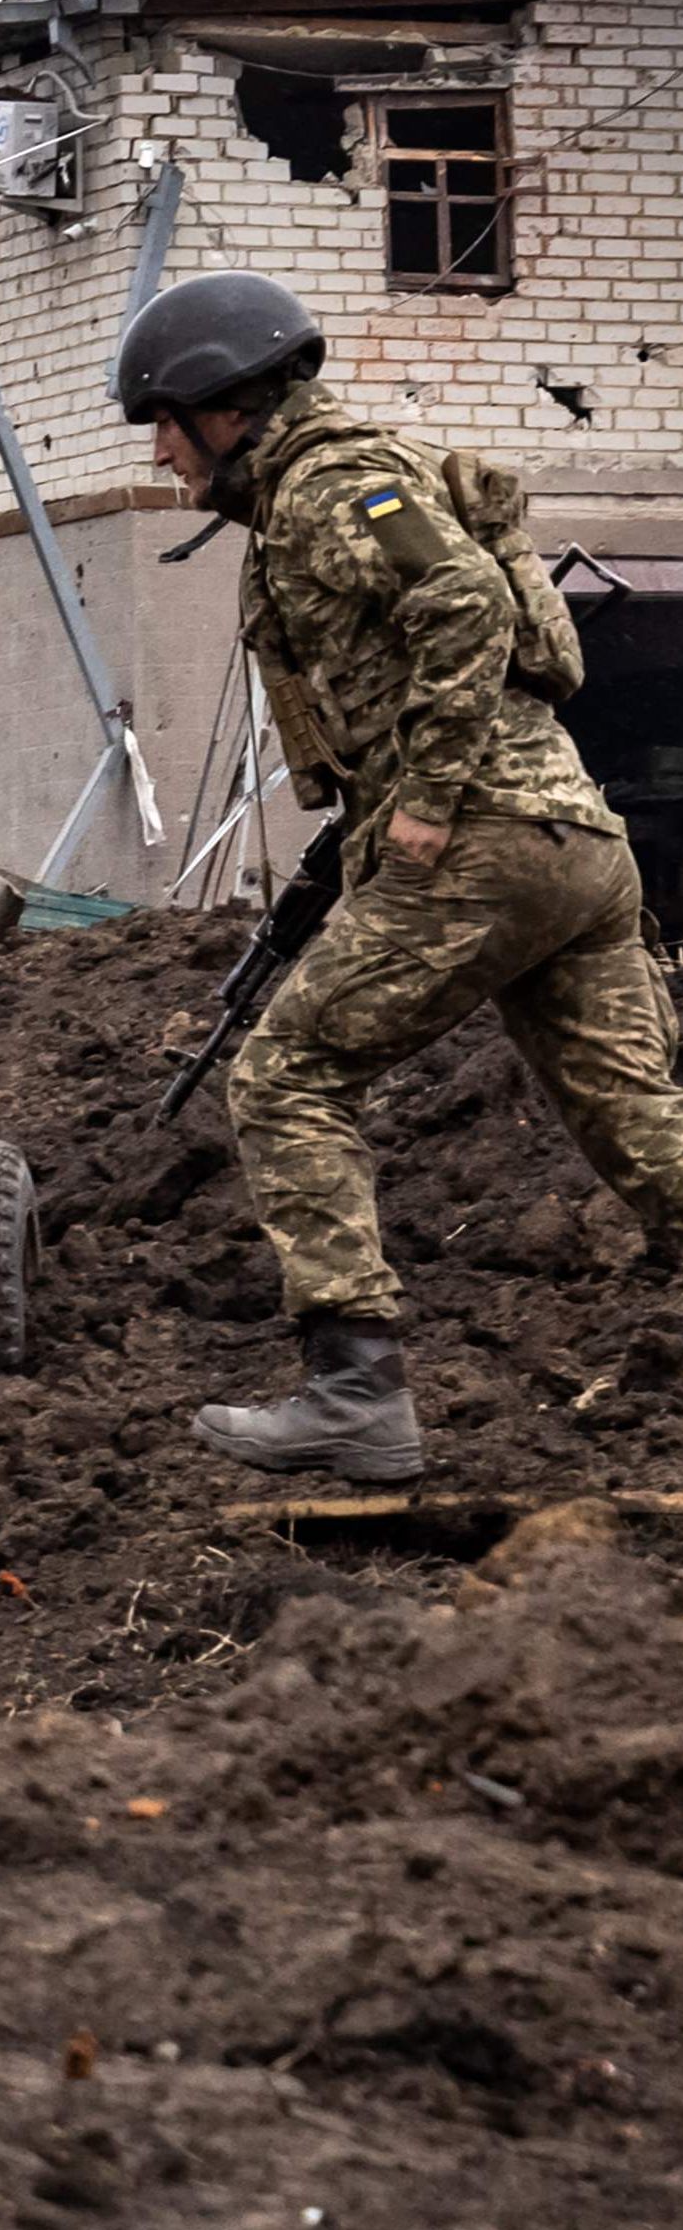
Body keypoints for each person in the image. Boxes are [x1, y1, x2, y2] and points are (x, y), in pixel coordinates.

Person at [116, 275, 683, 1485]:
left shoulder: (328, 484)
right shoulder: (345, 482)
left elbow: (464, 600)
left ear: (227, 401)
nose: (160, 450)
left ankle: (355, 1391)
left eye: (164, 419)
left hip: (482, 841)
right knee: (642, 1132)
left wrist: (423, 799)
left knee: (285, 1075)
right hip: (575, 844)